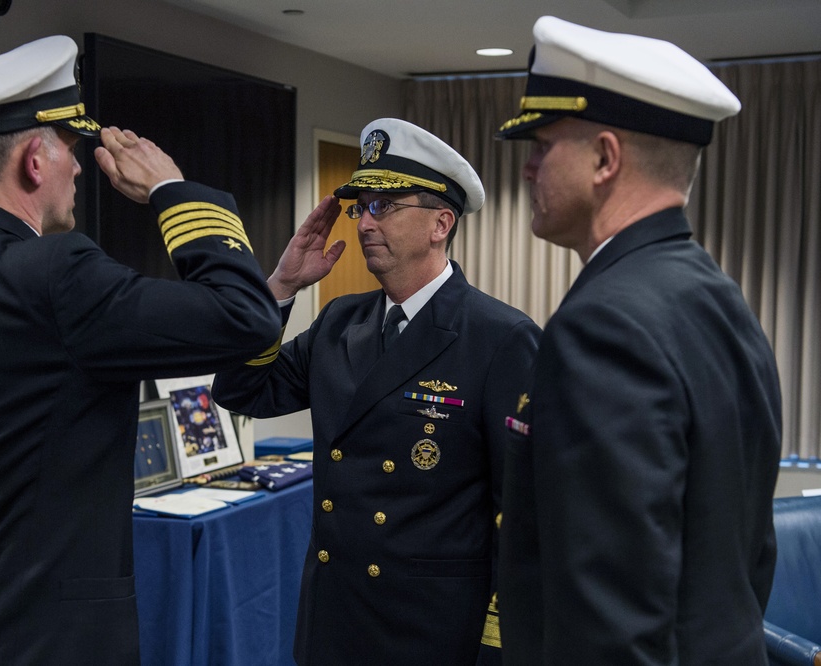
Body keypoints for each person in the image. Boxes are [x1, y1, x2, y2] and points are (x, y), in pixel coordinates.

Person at [0, 36, 280, 665]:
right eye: (71, 149)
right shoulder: (56, 273)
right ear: (33, 161)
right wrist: (174, 191)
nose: (79, 167)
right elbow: (245, 318)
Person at [494, 16, 783, 665]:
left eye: (541, 144)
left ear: (605, 157)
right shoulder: (716, 294)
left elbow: (609, 620)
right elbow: (748, 557)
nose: (528, 167)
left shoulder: (604, 325)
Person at [212, 118, 541, 665]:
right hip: (335, 620)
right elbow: (243, 390)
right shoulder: (342, 321)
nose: (365, 222)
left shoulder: (501, 338)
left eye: (384, 206)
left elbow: (523, 511)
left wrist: (498, 645)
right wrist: (280, 287)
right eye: (361, 206)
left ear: (441, 223)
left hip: (431, 632)